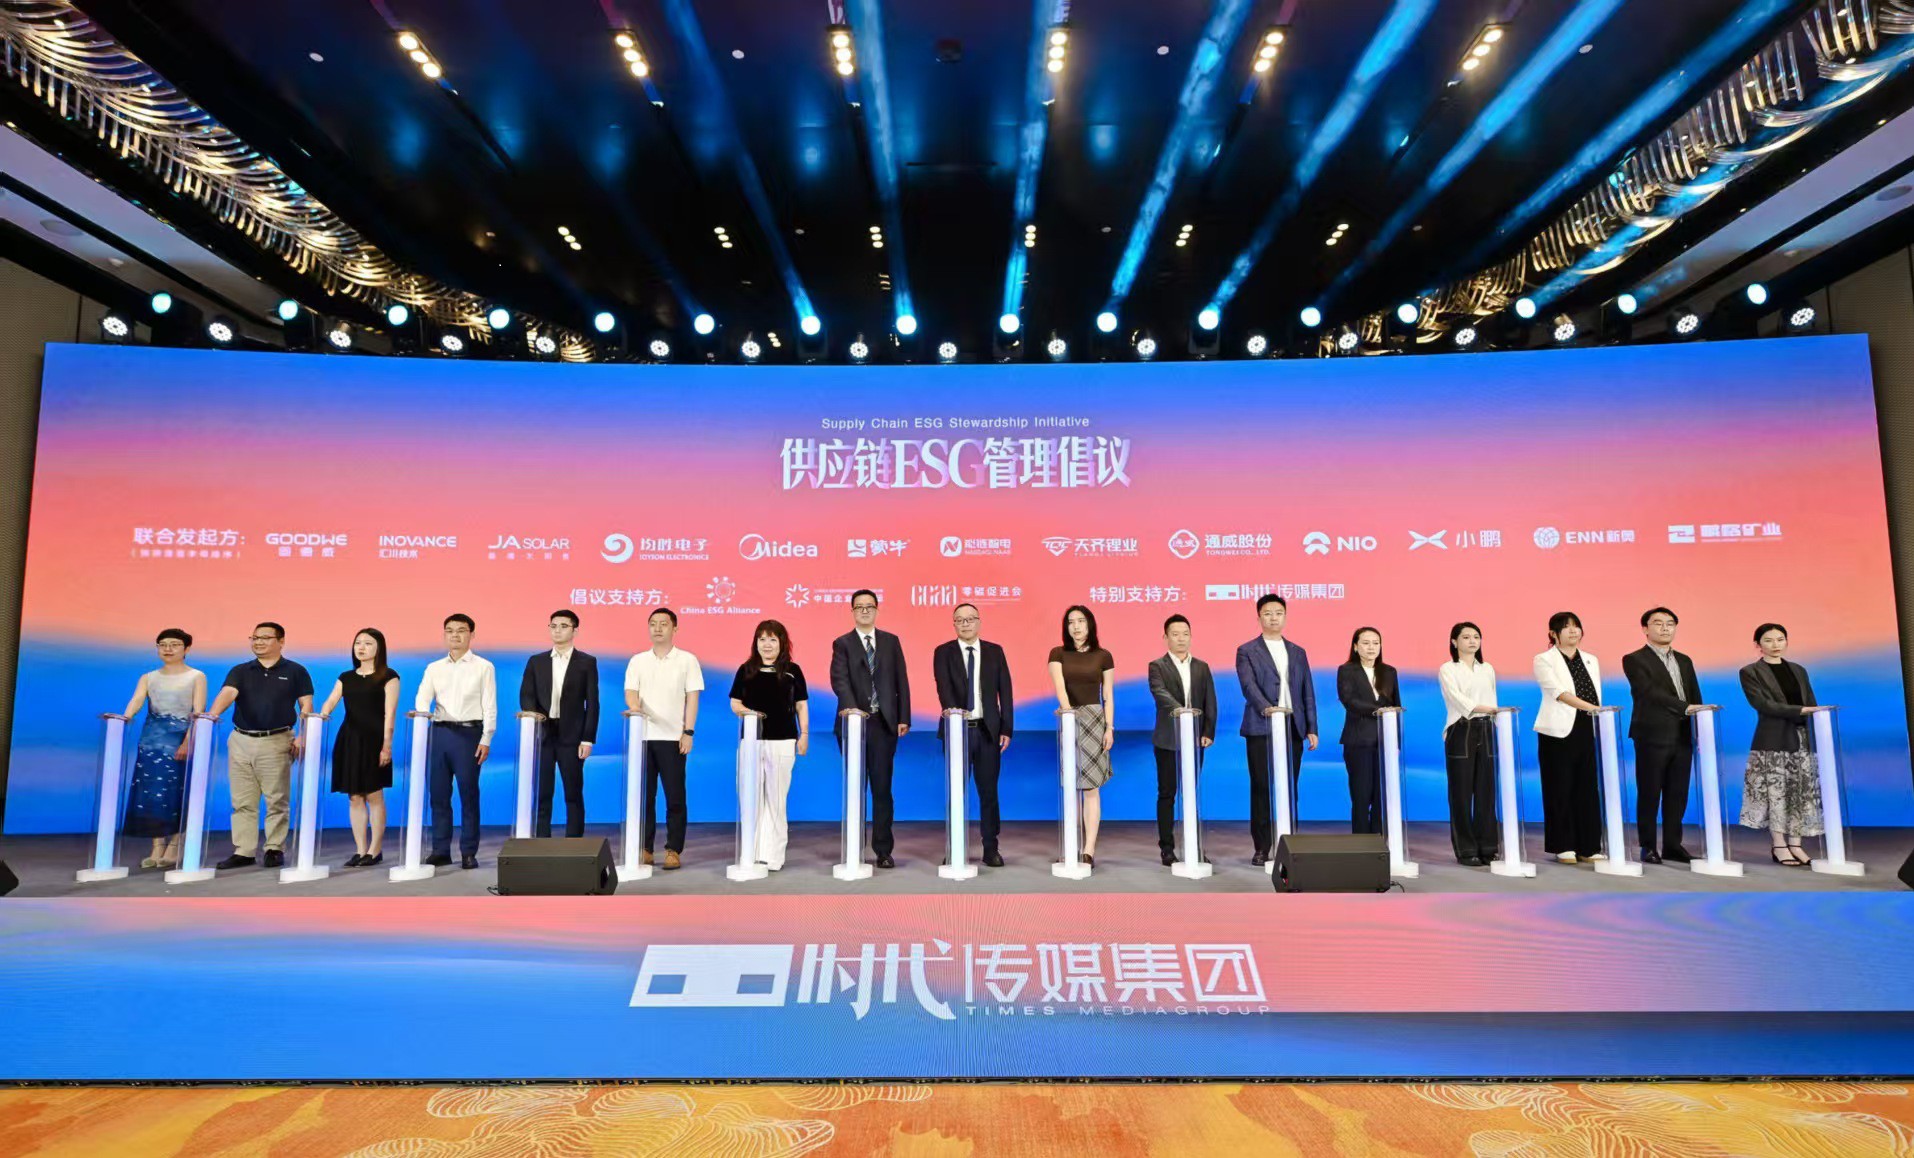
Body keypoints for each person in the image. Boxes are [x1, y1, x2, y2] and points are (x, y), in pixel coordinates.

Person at [204, 621, 313, 870]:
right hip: (241, 740)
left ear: (281, 641)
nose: (258, 642)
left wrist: (304, 735)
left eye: (265, 638)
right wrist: (211, 716)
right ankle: (244, 851)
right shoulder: (241, 670)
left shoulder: (296, 671)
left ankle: (274, 848)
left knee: (277, 799)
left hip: (276, 740)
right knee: (242, 800)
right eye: (254, 638)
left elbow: (306, 705)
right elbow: (228, 693)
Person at [1234, 593, 1318, 865]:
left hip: (1293, 728)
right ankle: (1262, 847)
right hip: (1261, 727)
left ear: (1285, 617)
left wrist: (1311, 727)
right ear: (1259, 617)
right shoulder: (1247, 650)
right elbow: (1248, 686)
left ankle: (1289, 842)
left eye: (1278, 613)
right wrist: (1267, 708)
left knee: (1290, 787)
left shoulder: (1298, 652)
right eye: (1268, 613)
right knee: (1261, 787)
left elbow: (1307, 691)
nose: (1273, 618)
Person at [829, 590, 910, 868]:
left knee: (882, 789)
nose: (864, 611)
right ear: (852, 611)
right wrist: (853, 711)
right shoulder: (842, 643)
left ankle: (883, 850)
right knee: (856, 788)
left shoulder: (890, 641)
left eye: (869, 606)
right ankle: (854, 848)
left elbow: (901, 680)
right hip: (853, 724)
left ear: (876, 609)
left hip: (883, 724)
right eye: (859, 607)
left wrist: (903, 716)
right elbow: (839, 680)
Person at [115, 629, 206, 870]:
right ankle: (156, 846)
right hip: (151, 741)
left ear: (186, 649)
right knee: (151, 792)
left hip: (179, 740)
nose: (168, 649)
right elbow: (137, 700)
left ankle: (175, 844)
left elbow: (198, 713)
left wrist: (188, 742)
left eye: (174, 644)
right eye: (162, 644)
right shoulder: (149, 677)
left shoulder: (196, 676)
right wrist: (125, 717)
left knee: (176, 792)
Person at [933, 603, 1014, 867]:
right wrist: (953, 714)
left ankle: (991, 848)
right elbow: (943, 688)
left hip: (988, 731)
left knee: (989, 792)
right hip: (957, 731)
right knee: (956, 792)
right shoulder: (943, 652)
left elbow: (1006, 691)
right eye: (960, 620)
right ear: (954, 624)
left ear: (979, 622)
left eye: (970, 619)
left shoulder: (994, 651)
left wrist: (1006, 728)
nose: (965, 624)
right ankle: (954, 847)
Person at [1739, 623, 1827, 867]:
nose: (1775, 644)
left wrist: (1810, 715)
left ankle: (1796, 844)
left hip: (1802, 737)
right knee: (1776, 793)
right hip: (1773, 739)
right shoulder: (1750, 672)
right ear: (1758, 645)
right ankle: (1779, 845)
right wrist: (1800, 710)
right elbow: (1762, 704)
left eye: (1780, 639)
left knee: (1800, 792)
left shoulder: (1798, 670)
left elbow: (1811, 701)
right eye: (1768, 640)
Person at [1622, 607, 1704, 865]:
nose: (1665, 628)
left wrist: (1699, 724)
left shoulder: (1684, 660)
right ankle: (1647, 846)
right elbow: (1648, 692)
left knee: (1677, 793)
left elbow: (1695, 695)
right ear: (1645, 629)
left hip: (1683, 734)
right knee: (1650, 792)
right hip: (1652, 735)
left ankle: (1672, 845)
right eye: (1658, 623)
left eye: (1670, 623)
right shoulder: (1634, 659)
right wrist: (1685, 707)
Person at [415, 613, 496, 870]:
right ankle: (440, 850)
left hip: (469, 735)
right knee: (438, 794)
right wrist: (421, 717)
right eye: (450, 631)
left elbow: (489, 705)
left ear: (472, 634)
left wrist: (486, 738)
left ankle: (468, 852)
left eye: (461, 630)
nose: (455, 635)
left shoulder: (484, 666)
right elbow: (422, 698)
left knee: (468, 794)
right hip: (439, 734)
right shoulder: (434, 668)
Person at [625, 607, 702, 870]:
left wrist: (688, 732)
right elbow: (631, 692)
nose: (657, 628)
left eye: (664, 624)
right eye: (653, 624)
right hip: (642, 738)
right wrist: (635, 709)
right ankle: (645, 848)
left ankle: (673, 849)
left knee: (675, 797)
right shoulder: (638, 661)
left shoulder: (687, 660)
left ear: (674, 628)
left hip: (673, 739)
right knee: (644, 797)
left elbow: (692, 698)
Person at [728, 619, 808, 871]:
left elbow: (801, 705)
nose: (767, 644)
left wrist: (804, 734)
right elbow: (735, 703)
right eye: (762, 639)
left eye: (772, 639)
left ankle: (773, 856)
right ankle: (751, 853)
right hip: (751, 742)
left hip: (782, 741)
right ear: (756, 643)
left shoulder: (793, 670)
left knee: (776, 799)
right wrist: (749, 714)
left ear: (782, 643)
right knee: (750, 796)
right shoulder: (746, 669)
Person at [315, 628, 399, 867]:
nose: (361, 647)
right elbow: (331, 701)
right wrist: (321, 715)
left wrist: (386, 746)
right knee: (354, 797)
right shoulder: (346, 677)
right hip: (349, 740)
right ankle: (360, 850)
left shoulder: (389, 676)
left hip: (374, 742)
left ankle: (375, 849)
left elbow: (390, 714)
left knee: (374, 795)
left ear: (379, 648)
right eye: (358, 643)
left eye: (368, 643)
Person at [519, 609, 600, 838]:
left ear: (575, 630)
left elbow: (592, 703)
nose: (557, 630)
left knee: (573, 792)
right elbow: (526, 695)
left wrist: (587, 739)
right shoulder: (537, 661)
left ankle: (574, 841)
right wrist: (534, 717)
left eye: (563, 626)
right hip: (543, 735)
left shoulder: (586, 662)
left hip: (572, 737)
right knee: (542, 792)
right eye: (553, 626)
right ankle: (541, 840)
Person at [1533, 611, 1604, 864]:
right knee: (1559, 787)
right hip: (1557, 731)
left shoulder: (1591, 659)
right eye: (1567, 627)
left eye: (1577, 626)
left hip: (1587, 726)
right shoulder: (1544, 659)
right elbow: (1559, 692)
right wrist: (1594, 708)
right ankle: (1563, 845)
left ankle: (1589, 846)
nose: (1574, 631)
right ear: (1553, 634)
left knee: (1587, 787)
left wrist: (1596, 712)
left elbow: (1595, 692)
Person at [1048, 605, 1116, 865]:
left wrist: (1109, 727)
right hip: (1069, 718)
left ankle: (1088, 850)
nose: (1075, 626)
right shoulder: (1057, 653)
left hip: (1095, 721)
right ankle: (1070, 844)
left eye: (1081, 621)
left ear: (1090, 624)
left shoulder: (1103, 656)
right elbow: (1060, 686)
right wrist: (1068, 714)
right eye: (1070, 622)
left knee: (1091, 787)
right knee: (1070, 785)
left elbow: (1107, 695)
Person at [1147, 614, 1217, 866]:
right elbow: (1160, 693)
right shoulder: (1157, 666)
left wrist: (1208, 731)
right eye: (1175, 634)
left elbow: (1210, 701)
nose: (1181, 639)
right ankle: (1167, 848)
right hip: (1167, 739)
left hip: (1195, 741)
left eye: (1185, 634)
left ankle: (1194, 846)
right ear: (1165, 637)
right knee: (1167, 794)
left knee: (1191, 793)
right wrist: (1183, 712)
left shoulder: (1201, 667)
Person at [1437, 622, 1500, 866]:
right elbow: (1458, 699)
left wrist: (1494, 714)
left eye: (1476, 637)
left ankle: (1488, 847)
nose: (1472, 641)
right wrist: (1489, 709)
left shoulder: (1487, 668)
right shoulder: (1448, 668)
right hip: (1461, 729)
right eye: (1466, 637)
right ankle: (1466, 849)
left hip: (1487, 728)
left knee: (1486, 791)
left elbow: (1492, 697)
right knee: (1461, 793)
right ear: (1454, 642)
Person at [1335, 627, 1400, 835]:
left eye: (1375, 643)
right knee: (1361, 795)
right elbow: (1349, 701)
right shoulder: (1346, 670)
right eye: (1365, 643)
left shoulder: (1389, 672)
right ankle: (1362, 842)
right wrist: (1378, 710)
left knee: (1382, 796)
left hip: (1385, 741)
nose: (1371, 647)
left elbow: (1396, 705)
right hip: (1358, 741)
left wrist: (1396, 742)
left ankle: (1380, 839)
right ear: (1355, 646)